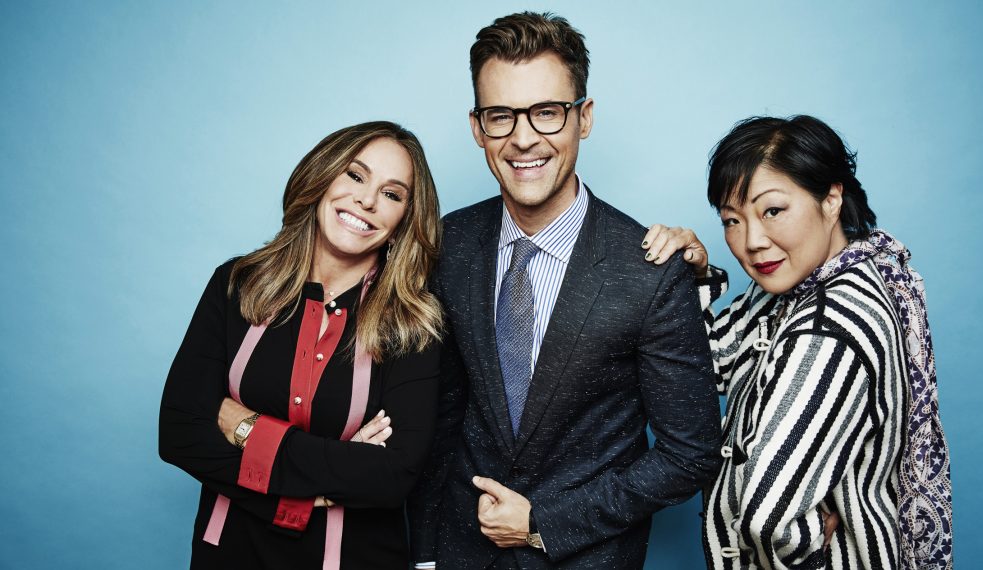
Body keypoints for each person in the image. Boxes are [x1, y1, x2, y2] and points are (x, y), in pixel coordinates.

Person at [407, 12, 722, 570]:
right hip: (460, 555)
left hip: (585, 557)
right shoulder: (446, 244)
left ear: (584, 118)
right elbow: (444, 415)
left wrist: (544, 524)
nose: (523, 138)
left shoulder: (651, 268)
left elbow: (688, 454)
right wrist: (426, 554)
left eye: (547, 112)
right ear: (478, 127)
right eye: (501, 116)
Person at [643, 115, 953, 569]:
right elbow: (706, 365)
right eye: (732, 220)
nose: (752, 241)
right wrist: (691, 280)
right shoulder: (807, 284)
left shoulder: (829, 325)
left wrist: (805, 552)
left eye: (772, 211)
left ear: (831, 198)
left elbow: (767, 515)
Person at [159, 121, 444, 569]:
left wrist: (245, 426)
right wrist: (332, 476)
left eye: (392, 194)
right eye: (355, 175)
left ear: (403, 221)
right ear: (322, 175)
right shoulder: (237, 285)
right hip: (229, 557)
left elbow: (393, 476)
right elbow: (178, 433)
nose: (367, 200)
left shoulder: (414, 325)